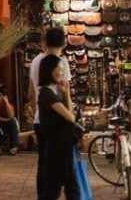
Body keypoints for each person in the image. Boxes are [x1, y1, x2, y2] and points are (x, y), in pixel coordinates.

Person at [28, 27, 71, 197]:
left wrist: (35, 111)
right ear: (65, 43)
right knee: (57, 164)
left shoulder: (36, 61)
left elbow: (31, 92)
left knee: (43, 162)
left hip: (40, 118)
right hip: (57, 119)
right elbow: (64, 91)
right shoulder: (62, 63)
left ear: (44, 42)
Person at [36, 54, 80, 200]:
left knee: (62, 188)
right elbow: (71, 117)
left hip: (61, 147)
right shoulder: (47, 94)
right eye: (59, 69)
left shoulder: (52, 93)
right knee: (58, 190)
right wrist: (65, 96)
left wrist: (66, 94)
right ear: (50, 70)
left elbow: (70, 113)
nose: (62, 72)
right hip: (57, 149)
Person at [0, 85, 19, 154]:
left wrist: (6, 102)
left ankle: (14, 147)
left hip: (7, 123)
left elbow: (11, 116)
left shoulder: (7, 104)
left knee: (12, 122)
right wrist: (2, 119)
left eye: (0, 95)